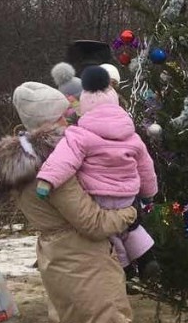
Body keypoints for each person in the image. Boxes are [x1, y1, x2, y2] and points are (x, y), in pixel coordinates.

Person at [0, 81, 136, 323]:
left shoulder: (23, 162)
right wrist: (130, 213)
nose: (72, 118)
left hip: (58, 255)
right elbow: (92, 223)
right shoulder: (53, 169)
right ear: (52, 120)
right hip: (78, 258)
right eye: (66, 114)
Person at [37, 66, 158, 280]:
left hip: (99, 195)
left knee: (110, 233)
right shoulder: (132, 137)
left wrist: (48, 180)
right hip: (127, 196)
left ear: (85, 107)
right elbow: (145, 167)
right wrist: (149, 192)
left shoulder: (80, 135)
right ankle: (148, 259)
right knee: (131, 227)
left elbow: (64, 159)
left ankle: (123, 267)